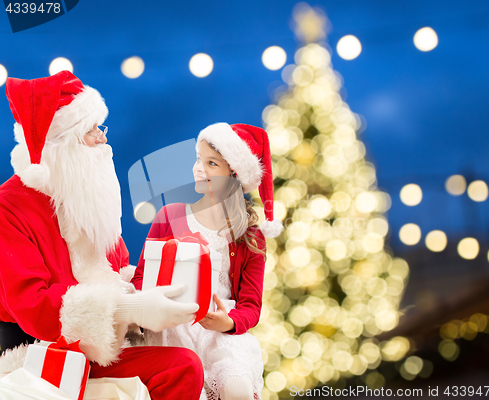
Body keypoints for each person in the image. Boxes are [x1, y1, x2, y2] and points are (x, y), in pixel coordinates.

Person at [0, 70, 204, 399]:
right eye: (91, 130)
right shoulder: (9, 206)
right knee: (183, 366)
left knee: (183, 365)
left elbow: (120, 269)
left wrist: (173, 290)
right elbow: (33, 306)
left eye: (100, 127)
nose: (103, 138)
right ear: (60, 145)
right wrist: (130, 309)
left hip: (101, 350)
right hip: (41, 356)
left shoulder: (86, 197)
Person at [132, 123, 284, 400]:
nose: (198, 169)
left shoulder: (250, 237)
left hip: (219, 331)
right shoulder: (170, 216)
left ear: (233, 175)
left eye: (211, 163)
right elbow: (141, 278)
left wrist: (226, 323)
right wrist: (150, 303)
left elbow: (251, 306)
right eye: (198, 159)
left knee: (235, 387)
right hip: (171, 327)